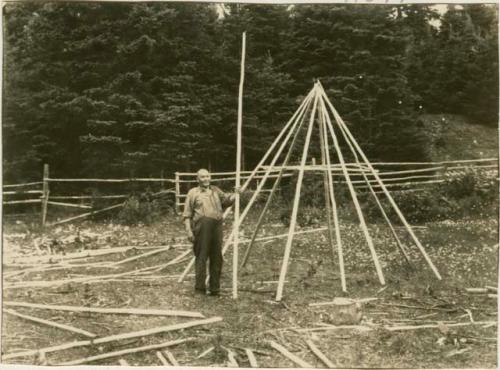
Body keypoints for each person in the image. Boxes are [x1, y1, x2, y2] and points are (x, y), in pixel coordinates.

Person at [183, 169, 239, 296]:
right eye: (202, 177)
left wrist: (236, 194)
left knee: (217, 257)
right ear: (197, 179)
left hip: (217, 226)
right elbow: (187, 215)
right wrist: (189, 232)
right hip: (201, 227)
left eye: (207, 176)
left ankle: (215, 289)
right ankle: (200, 289)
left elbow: (227, 201)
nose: (206, 179)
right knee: (201, 256)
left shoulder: (216, 190)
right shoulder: (193, 193)